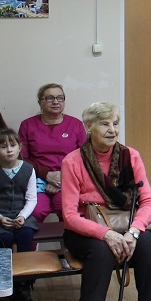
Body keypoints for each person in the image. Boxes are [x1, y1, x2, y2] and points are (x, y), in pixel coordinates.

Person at [61, 102, 151, 301]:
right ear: (88, 127)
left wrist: (133, 232)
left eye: (115, 123)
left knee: (147, 246)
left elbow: (148, 201)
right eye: (104, 124)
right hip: (85, 230)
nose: (112, 130)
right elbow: (70, 216)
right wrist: (105, 234)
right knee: (101, 253)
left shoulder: (130, 156)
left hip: (125, 225)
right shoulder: (73, 161)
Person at [0, 127, 39, 301]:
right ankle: (8, 281)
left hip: (22, 215)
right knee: (4, 239)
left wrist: (22, 216)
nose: (9, 150)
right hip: (0, 217)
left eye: (13, 145)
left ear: (19, 147)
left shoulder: (28, 169)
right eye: (3, 147)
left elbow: (31, 198)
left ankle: (25, 283)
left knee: (26, 235)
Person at [19, 83, 87, 222]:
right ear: (40, 102)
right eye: (50, 98)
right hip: (36, 180)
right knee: (36, 211)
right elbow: (22, 158)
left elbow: (84, 158)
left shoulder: (75, 124)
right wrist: (47, 175)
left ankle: (69, 238)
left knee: (67, 209)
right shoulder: (27, 125)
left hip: (68, 180)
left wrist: (62, 177)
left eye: (60, 98)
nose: (55, 102)